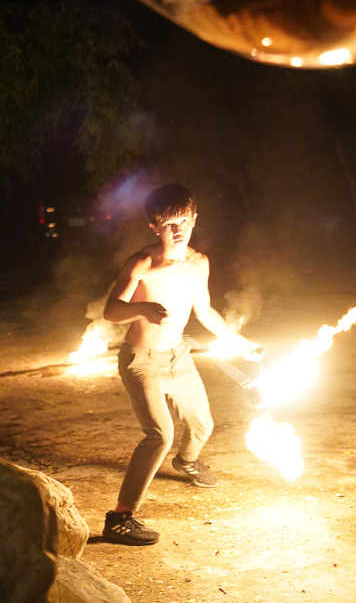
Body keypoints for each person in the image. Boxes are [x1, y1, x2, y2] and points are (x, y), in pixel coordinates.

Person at [102, 183, 261, 546]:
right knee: (159, 435)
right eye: (169, 224)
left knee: (203, 424)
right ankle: (120, 518)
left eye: (184, 222)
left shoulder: (199, 262)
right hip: (141, 361)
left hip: (179, 358)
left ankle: (187, 462)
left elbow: (204, 311)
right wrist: (141, 308)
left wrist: (243, 344)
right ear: (154, 227)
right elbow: (111, 311)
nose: (178, 231)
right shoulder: (142, 262)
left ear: (194, 219)